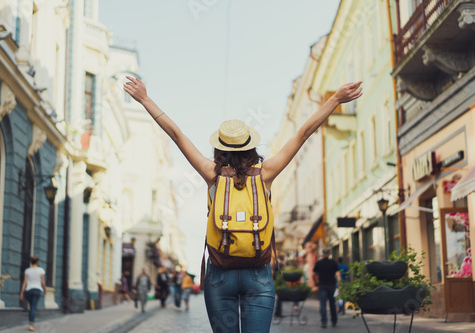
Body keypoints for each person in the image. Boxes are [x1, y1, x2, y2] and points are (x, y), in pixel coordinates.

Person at [124, 76, 362, 332]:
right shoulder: (267, 172)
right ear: (250, 146)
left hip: (220, 272)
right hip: (258, 272)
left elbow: (177, 135)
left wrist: (145, 99)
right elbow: (303, 133)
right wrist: (335, 99)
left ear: (219, 148)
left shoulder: (211, 173)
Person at [313, 248, 339, 328]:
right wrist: (339, 284)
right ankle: (334, 321)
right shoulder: (333, 263)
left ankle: (324, 322)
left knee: (323, 304)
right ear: (329, 254)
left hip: (322, 285)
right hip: (332, 285)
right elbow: (337, 274)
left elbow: (314, 274)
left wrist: (316, 282)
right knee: (332, 304)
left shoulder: (319, 263)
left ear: (322, 254)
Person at [19, 256, 46, 332]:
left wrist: (22, 293)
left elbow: (25, 282)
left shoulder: (27, 270)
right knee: (33, 307)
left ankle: (31, 322)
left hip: (29, 291)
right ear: (37, 262)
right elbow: (43, 282)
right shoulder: (41, 270)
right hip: (37, 290)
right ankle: (31, 324)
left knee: (31, 307)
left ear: (31, 262)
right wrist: (45, 290)